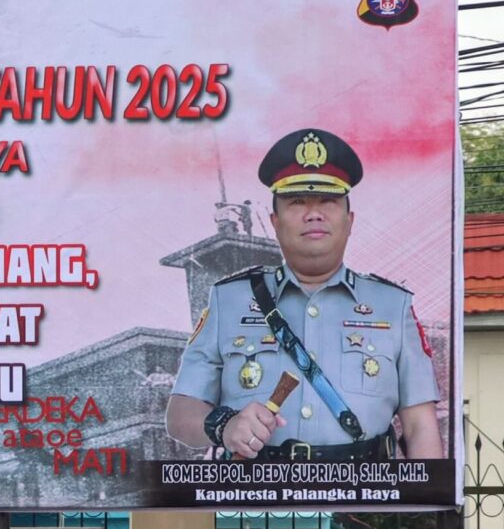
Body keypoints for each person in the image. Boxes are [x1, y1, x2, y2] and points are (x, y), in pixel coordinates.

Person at [165, 128, 444, 461]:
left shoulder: (392, 306)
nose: (314, 213)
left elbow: (420, 428)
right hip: (254, 499)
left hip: (364, 498)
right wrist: (224, 427)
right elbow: (180, 413)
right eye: (297, 201)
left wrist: (419, 511)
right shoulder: (228, 301)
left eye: (328, 200)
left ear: (349, 219)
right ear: (275, 221)